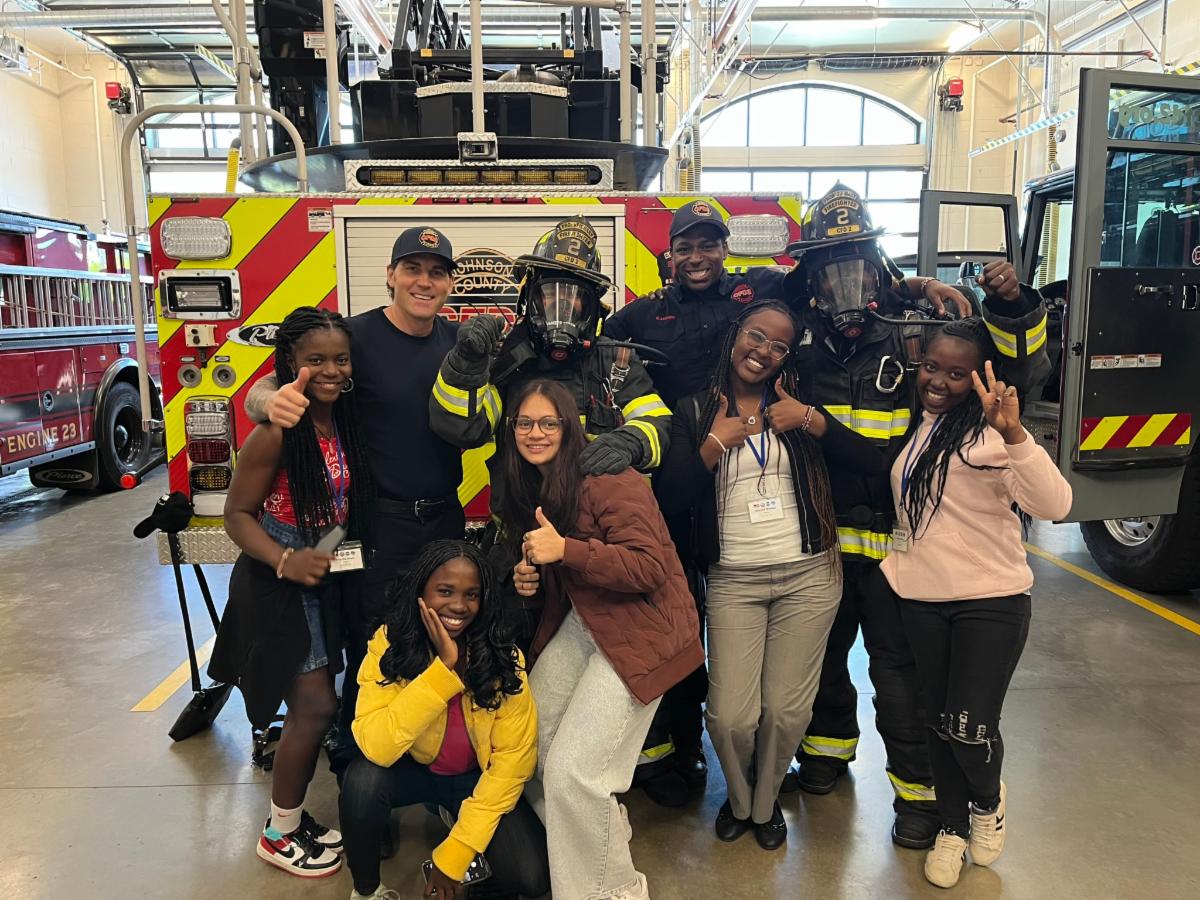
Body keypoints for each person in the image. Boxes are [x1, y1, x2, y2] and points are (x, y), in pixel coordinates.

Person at [603, 201, 974, 806]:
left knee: (844, 669)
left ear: (725, 249)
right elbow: (604, 352)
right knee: (680, 638)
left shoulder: (763, 292)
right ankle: (682, 751)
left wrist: (917, 283)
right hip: (692, 485)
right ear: (669, 255)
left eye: (709, 245)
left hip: (810, 530)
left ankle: (831, 765)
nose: (698, 257)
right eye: (685, 247)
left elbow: (846, 275)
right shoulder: (643, 314)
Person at [780, 183, 1052, 850]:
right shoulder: (796, 337)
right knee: (822, 662)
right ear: (810, 276)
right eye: (829, 268)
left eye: (857, 264)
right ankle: (826, 753)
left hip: (898, 547)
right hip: (822, 541)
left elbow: (1015, 369)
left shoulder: (917, 335)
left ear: (877, 267)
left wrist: (1008, 305)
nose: (844, 283)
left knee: (900, 678)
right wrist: (914, 281)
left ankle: (920, 796)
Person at [654, 301, 883, 849]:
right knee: (730, 717)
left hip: (809, 577)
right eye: (756, 336)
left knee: (785, 711)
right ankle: (740, 799)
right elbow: (669, 497)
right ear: (736, 334)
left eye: (779, 345)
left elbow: (872, 461)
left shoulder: (798, 401)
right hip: (734, 580)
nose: (764, 351)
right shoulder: (695, 409)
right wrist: (713, 445)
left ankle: (763, 804)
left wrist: (810, 420)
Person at [246, 226, 466, 772]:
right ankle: (362, 770)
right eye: (412, 269)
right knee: (374, 647)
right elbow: (282, 381)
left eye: (437, 272)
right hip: (376, 523)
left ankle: (426, 756)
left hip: (445, 518)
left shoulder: (459, 343)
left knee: (440, 636)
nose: (424, 281)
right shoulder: (357, 338)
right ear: (390, 275)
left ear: (449, 284)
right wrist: (266, 403)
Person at [879, 318, 1072, 887]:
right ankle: (952, 826)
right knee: (938, 723)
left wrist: (1015, 435)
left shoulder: (992, 436)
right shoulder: (918, 426)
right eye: (931, 367)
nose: (938, 381)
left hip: (990, 601)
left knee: (969, 725)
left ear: (980, 377)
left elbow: (1056, 505)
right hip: (921, 599)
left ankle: (986, 802)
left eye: (956, 373)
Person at [504, 379, 703, 899]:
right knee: (525, 749)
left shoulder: (607, 475)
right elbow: (569, 575)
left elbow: (648, 568)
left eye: (549, 422)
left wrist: (565, 551)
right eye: (525, 423)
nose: (535, 433)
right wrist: (532, 578)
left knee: (574, 774)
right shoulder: (538, 484)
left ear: (569, 427)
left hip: (644, 628)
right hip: (588, 622)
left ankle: (614, 891)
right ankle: (603, 840)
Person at [429, 217, 671, 643]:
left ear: (593, 308)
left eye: (575, 298)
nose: (562, 308)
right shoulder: (507, 364)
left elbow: (657, 422)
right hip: (519, 555)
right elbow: (462, 427)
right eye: (551, 295)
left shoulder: (615, 363)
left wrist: (632, 440)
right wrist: (467, 364)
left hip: (590, 552)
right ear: (530, 301)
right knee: (516, 658)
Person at [210, 306, 374, 878]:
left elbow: (336, 504)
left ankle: (292, 821)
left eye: (340, 359)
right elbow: (236, 515)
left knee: (319, 703)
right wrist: (286, 558)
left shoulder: (340, 421)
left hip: (314, 578)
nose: (330, 370)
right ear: (289, 364)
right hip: (275, 584)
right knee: (314, 707)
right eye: (315, 360)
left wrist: (325, 551)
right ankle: (278, 833)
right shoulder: (276, 432)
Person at [339, 540, 549, 900]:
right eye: (445, 591)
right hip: (415, 771)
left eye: (472, 594)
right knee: (360, 782)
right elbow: (376, 745)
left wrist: (455, 856)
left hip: (474, 778)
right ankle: (366, 890)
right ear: (420, 592)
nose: (459, 606)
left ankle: (478, 866)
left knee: (531, 876)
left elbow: (513, 765)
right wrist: (442, 670)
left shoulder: (504, 656)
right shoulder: (390, 644)